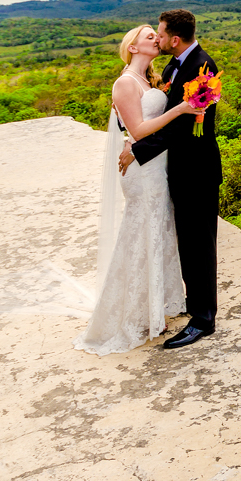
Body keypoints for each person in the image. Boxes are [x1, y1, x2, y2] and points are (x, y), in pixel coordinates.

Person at [74, 25, 204, 355]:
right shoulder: (125, 83)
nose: (155, 40)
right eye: (149, 36)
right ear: (132, 48)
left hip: (158, 167)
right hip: (142, 172)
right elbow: (138, 129)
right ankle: (131, 313)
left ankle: (153, 306)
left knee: (158, 233)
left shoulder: (150, 80)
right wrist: (181, 108)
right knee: (141, 233)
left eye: (156, 35)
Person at [120, 9, 223, 350]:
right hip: (173, 171)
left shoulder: (204, 69)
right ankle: (187, 306)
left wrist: (138, 150)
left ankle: (203, 319)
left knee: (199, 245)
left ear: (174, 39)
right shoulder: (170, 67)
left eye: (160, 35)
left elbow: (183, 127)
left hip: (197, 170)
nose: (158, 39)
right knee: (185, 243)